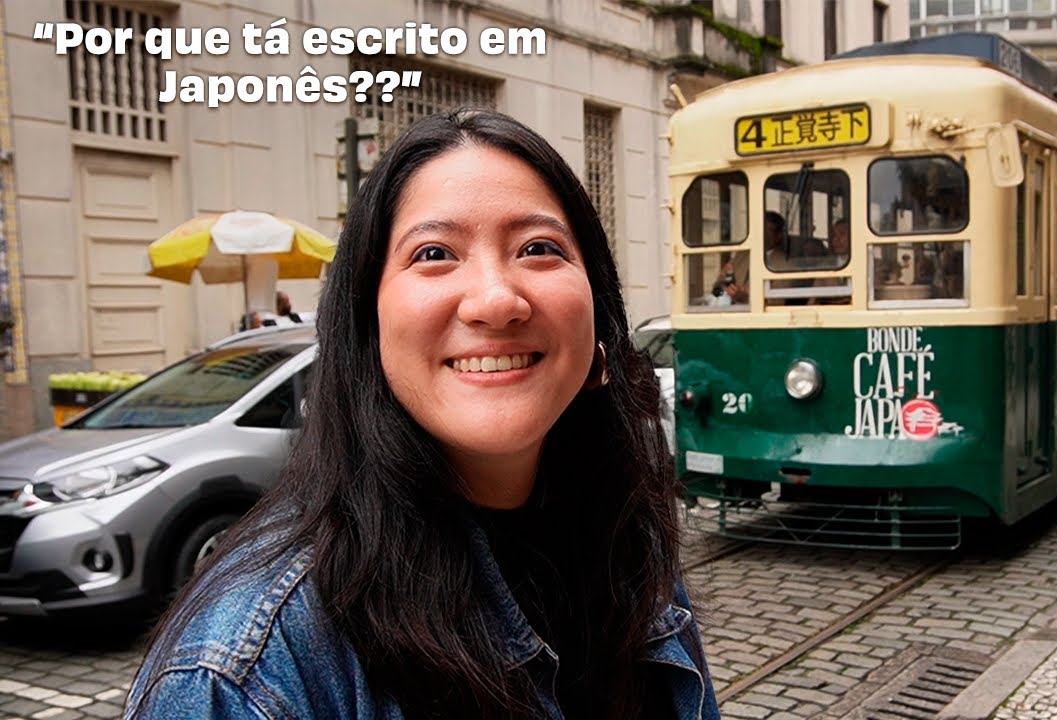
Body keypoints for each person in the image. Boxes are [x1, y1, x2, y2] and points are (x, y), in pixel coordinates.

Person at [125, 109, 718, 720]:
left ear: (598, 305)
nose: (496, 300)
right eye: (434, 253)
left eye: (539, 248)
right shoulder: (251, 668)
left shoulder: (625, 537)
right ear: (366, 321)